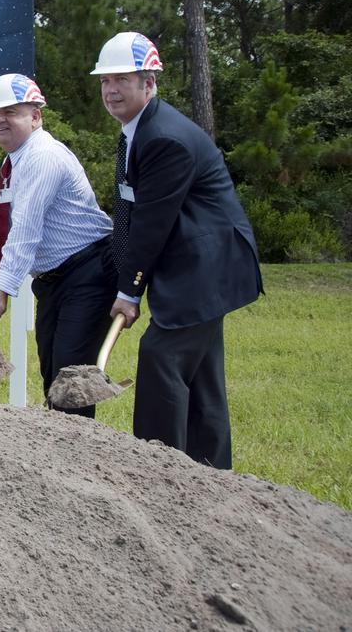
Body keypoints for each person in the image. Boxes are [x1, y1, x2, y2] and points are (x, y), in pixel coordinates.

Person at [94, 31, 262, 468]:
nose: (111, 90)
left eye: (123, 80)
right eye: (105, 81)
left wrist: (129, 291)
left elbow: (152, 224)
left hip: (207, 266)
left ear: (149, 83)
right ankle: (210, 472)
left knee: (161, 355)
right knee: (202, 374)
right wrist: (123, 279)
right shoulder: (139, 131)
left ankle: (160, 470)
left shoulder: (164, 137)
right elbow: (129, 213)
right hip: (200, 264)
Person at [0, 73, 116, 417]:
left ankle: (77, 458)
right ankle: (57, 455)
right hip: (54, 281)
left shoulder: (42, 157)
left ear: (36, 116)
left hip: (87, 272)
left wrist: (3, 288)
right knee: (53, 370)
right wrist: (6, 263)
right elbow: (17, 226)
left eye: (11, 112)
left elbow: (26, 229)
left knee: (71, 379)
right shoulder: (16, 161)